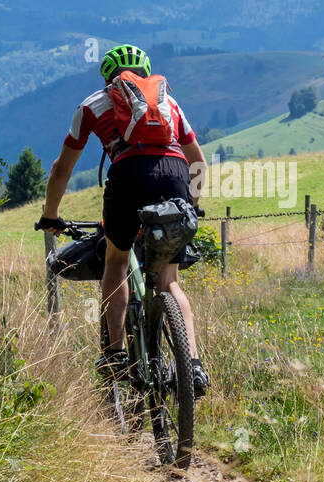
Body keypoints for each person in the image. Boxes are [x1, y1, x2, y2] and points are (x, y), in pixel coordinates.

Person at [38, 44, 209, 396]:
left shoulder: (92, 104)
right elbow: (199, 162)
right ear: (146, 74)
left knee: (116, 261)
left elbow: (61, 169)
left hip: (128, 175)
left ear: (107, 77)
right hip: (175, 174)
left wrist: (50, 215)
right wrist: (192, 204)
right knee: (169, 279)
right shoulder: (169, 104)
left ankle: (115, 354)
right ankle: (192, 365)